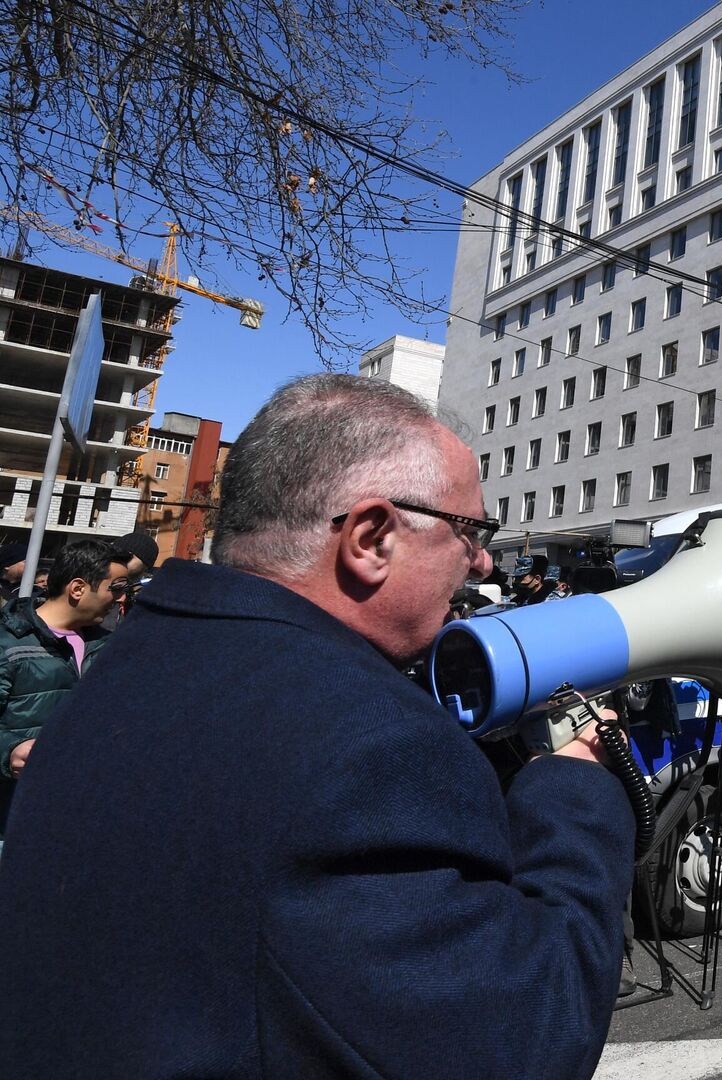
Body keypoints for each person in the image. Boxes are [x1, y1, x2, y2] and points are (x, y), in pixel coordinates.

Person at [0, 374, 635, 1079]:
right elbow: (525, 1045)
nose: (482, 560)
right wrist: (573, 788)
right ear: (371, 538)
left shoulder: (127, 668)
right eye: (471, 530)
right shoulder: (372, 744)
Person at [0, 538, 130, 845]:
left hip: (74, 820)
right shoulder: (9, 643)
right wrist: (8, 752)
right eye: (116, 587)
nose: (121, 598)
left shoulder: (111, 648)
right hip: (10, 820)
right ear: (77, 589)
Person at [100, 531, 158, 630]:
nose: (120, 559)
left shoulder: (149, 599)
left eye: (128, 556)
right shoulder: (96, 583)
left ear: (145, 565)